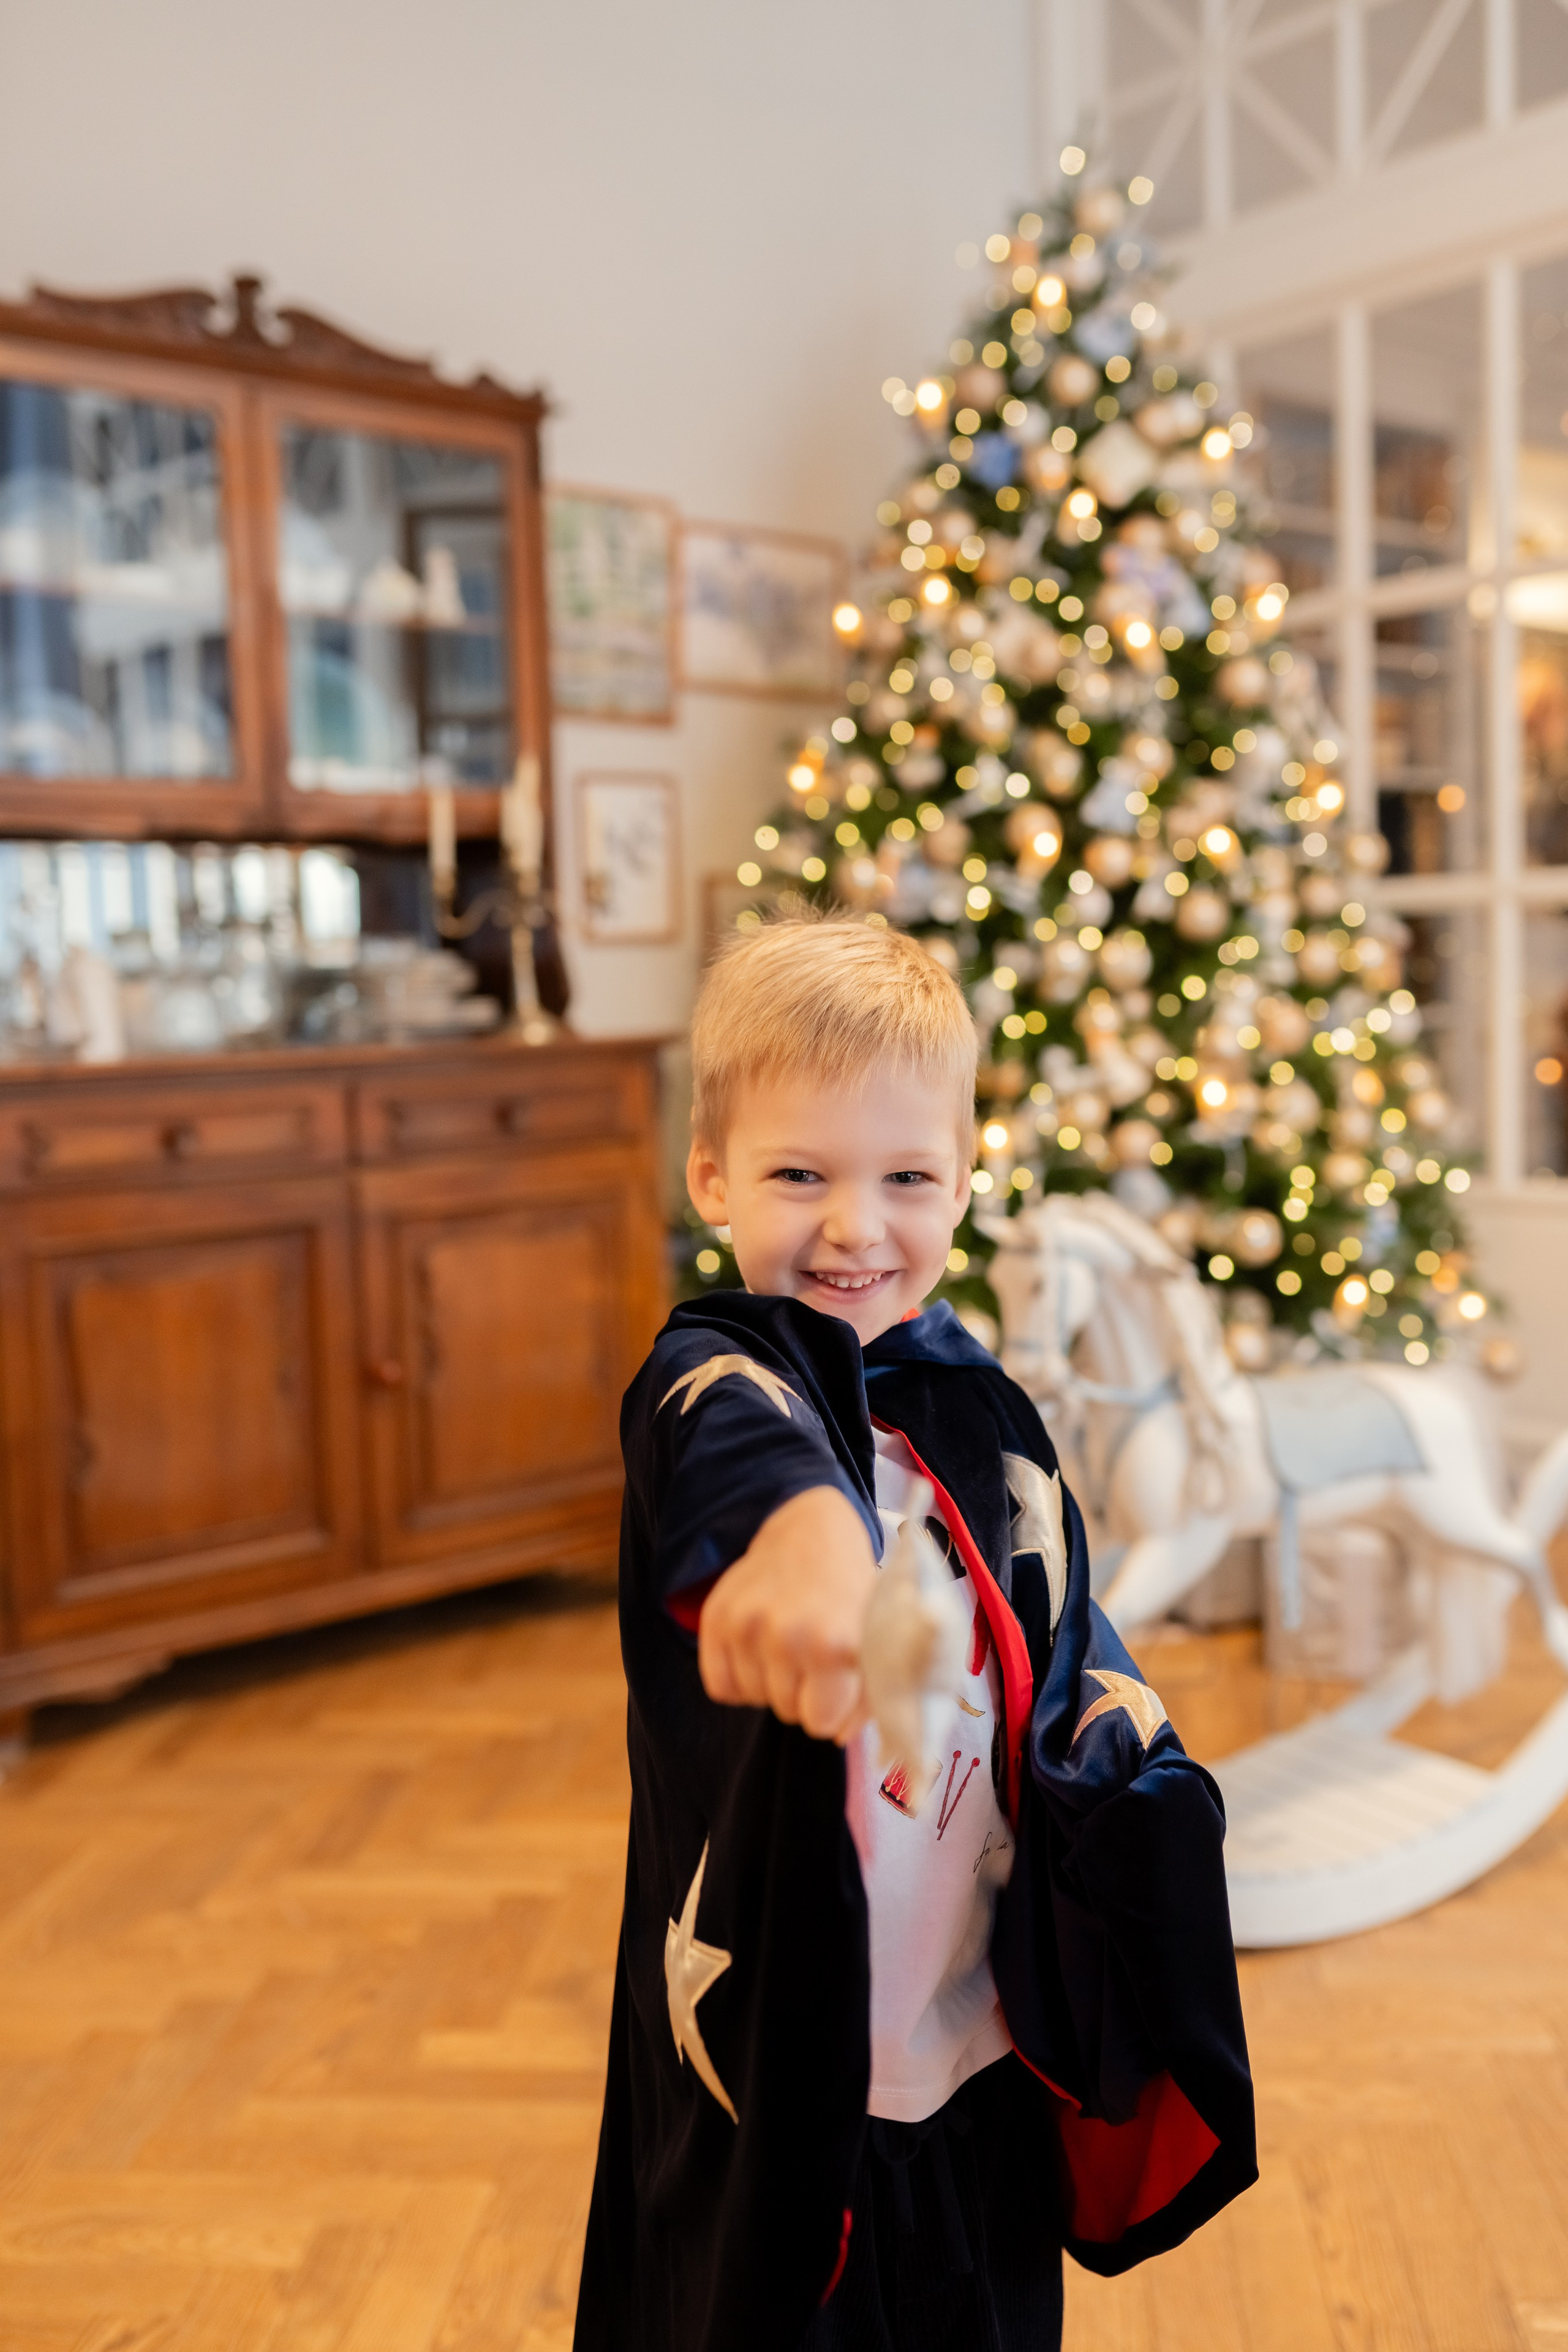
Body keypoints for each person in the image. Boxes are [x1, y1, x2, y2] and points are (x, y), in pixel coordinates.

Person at [575, 914, 1254, 2352]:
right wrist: (809, 1540)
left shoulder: (977, 1401)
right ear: (711, 1177)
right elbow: (743, 1463)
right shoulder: (709, 1377)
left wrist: (1119, 1739)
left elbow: (1056, 1622)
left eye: (903, 1178)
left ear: (961, 1182)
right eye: (797, 1174)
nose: (853, 1226)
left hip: (975, 2036)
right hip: (780, 2049)